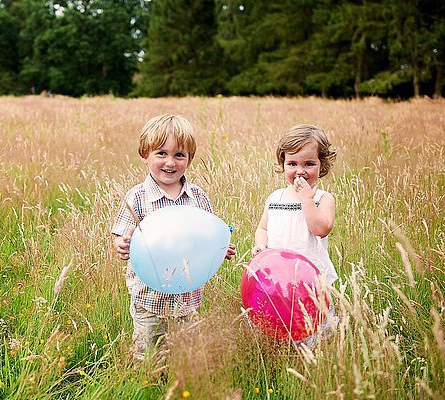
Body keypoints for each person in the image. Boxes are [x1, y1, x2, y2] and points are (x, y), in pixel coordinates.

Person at [111, 114, 236, 361]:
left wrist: (221, 248)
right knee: (148, 357)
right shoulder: (137, 197)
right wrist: (122, 245)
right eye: (161, 153)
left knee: (186, 355)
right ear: (144, 154)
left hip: (188, 299)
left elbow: (206, 236)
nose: (170, 162)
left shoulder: (197, 197)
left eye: (179, 155)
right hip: (149, 300)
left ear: (189, 158)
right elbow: (120, 235)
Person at [252, 124, 338, 344]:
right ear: (282, 164)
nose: (300, 171)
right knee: (279, 325)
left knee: (312, 330)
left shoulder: (322, 198)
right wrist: (261, 247)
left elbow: (321, 228)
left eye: (309, 164)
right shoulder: (275, 198)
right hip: (279, 279)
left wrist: (307, 200)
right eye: (292, 163)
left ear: (322, 165)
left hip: (311, 280)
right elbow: (263, 228)